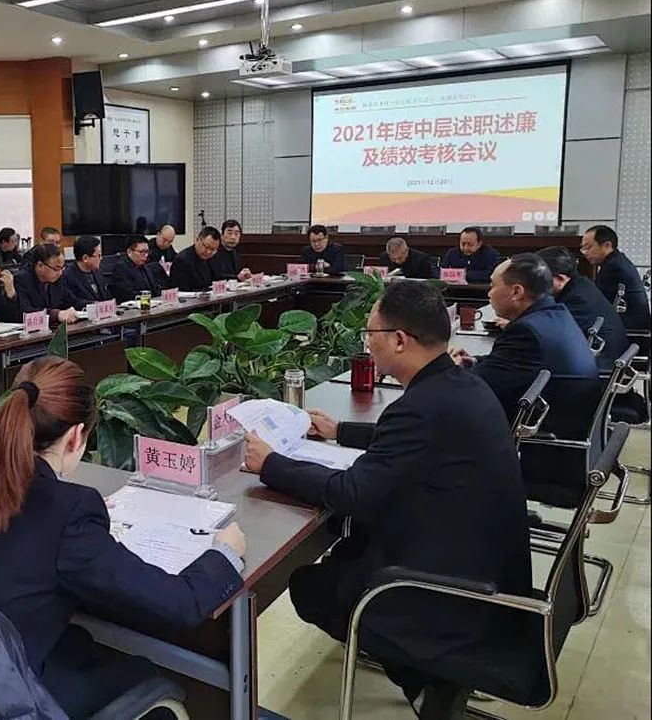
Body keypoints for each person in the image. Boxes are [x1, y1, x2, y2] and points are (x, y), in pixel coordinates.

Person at [244, 282, 531, 715]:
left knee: (310, 585)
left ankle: (426, 677)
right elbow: (411, 440)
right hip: (484, 567)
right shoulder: (458, 385)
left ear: (398, 340)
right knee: (350, 547)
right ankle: (428, 677)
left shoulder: (420, 406)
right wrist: (340, 431)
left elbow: (353, 493)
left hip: (452, 595)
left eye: (370, 334)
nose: (367, 344)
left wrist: (271, 464)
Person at [0, 356, 245, 718]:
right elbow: (180, 604)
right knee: (140, 671)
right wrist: (224, 554)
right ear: (77, 435)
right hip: (9, 698)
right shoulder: (69, 512)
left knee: (81, 643)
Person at [450, 254, 599, 427]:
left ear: (516, 292)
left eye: (493, 285)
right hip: (568, 415)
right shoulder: (556, 314)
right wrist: (472, 361)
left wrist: (451, 368)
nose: (489, 293)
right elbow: (506, 366)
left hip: (546, 431)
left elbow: (476, 388)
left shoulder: (526, 332)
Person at [538, 246, 628, 370]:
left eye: (539, 279)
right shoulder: (581, 285)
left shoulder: (577, 299)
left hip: (599, 369)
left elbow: (550, 337)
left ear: (560, 279)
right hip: (602, 361)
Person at [581, 225, 651, 331]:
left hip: (631, 332)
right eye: (583, 248)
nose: (585, 252)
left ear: (607, 245)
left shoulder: (613, 267)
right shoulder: (618, 260)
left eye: (588, 247)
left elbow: (595, 302)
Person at [13, 244, 82, 324]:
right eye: (56, 269)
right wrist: (56, 314)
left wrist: (91, 305)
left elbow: (73, 301)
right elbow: (25, 311)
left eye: (62, 268)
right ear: (40, 265)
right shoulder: (21, 280)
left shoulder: (57, 279)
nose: (60, 273)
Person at [110, 235, 167, 302]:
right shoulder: (121, 268)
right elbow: (126, 294)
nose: (146, 255)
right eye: (141, 252)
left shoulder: (146, 267)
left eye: (147, 252)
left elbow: (154, 290)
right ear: (129, 252)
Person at [169, 226, 221, 292]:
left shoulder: (212, 258)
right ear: (197, 240)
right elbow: (180, 291)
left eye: (213, 249)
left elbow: (216, 281)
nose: (208, 252)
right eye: (206, 246)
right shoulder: (182, 260)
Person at [64, 235, 110, 303]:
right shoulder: (68, 276)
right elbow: (73, 302)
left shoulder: (98, 270)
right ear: (85, 258)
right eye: (98, 255)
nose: (101, 258)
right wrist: (93, 304)